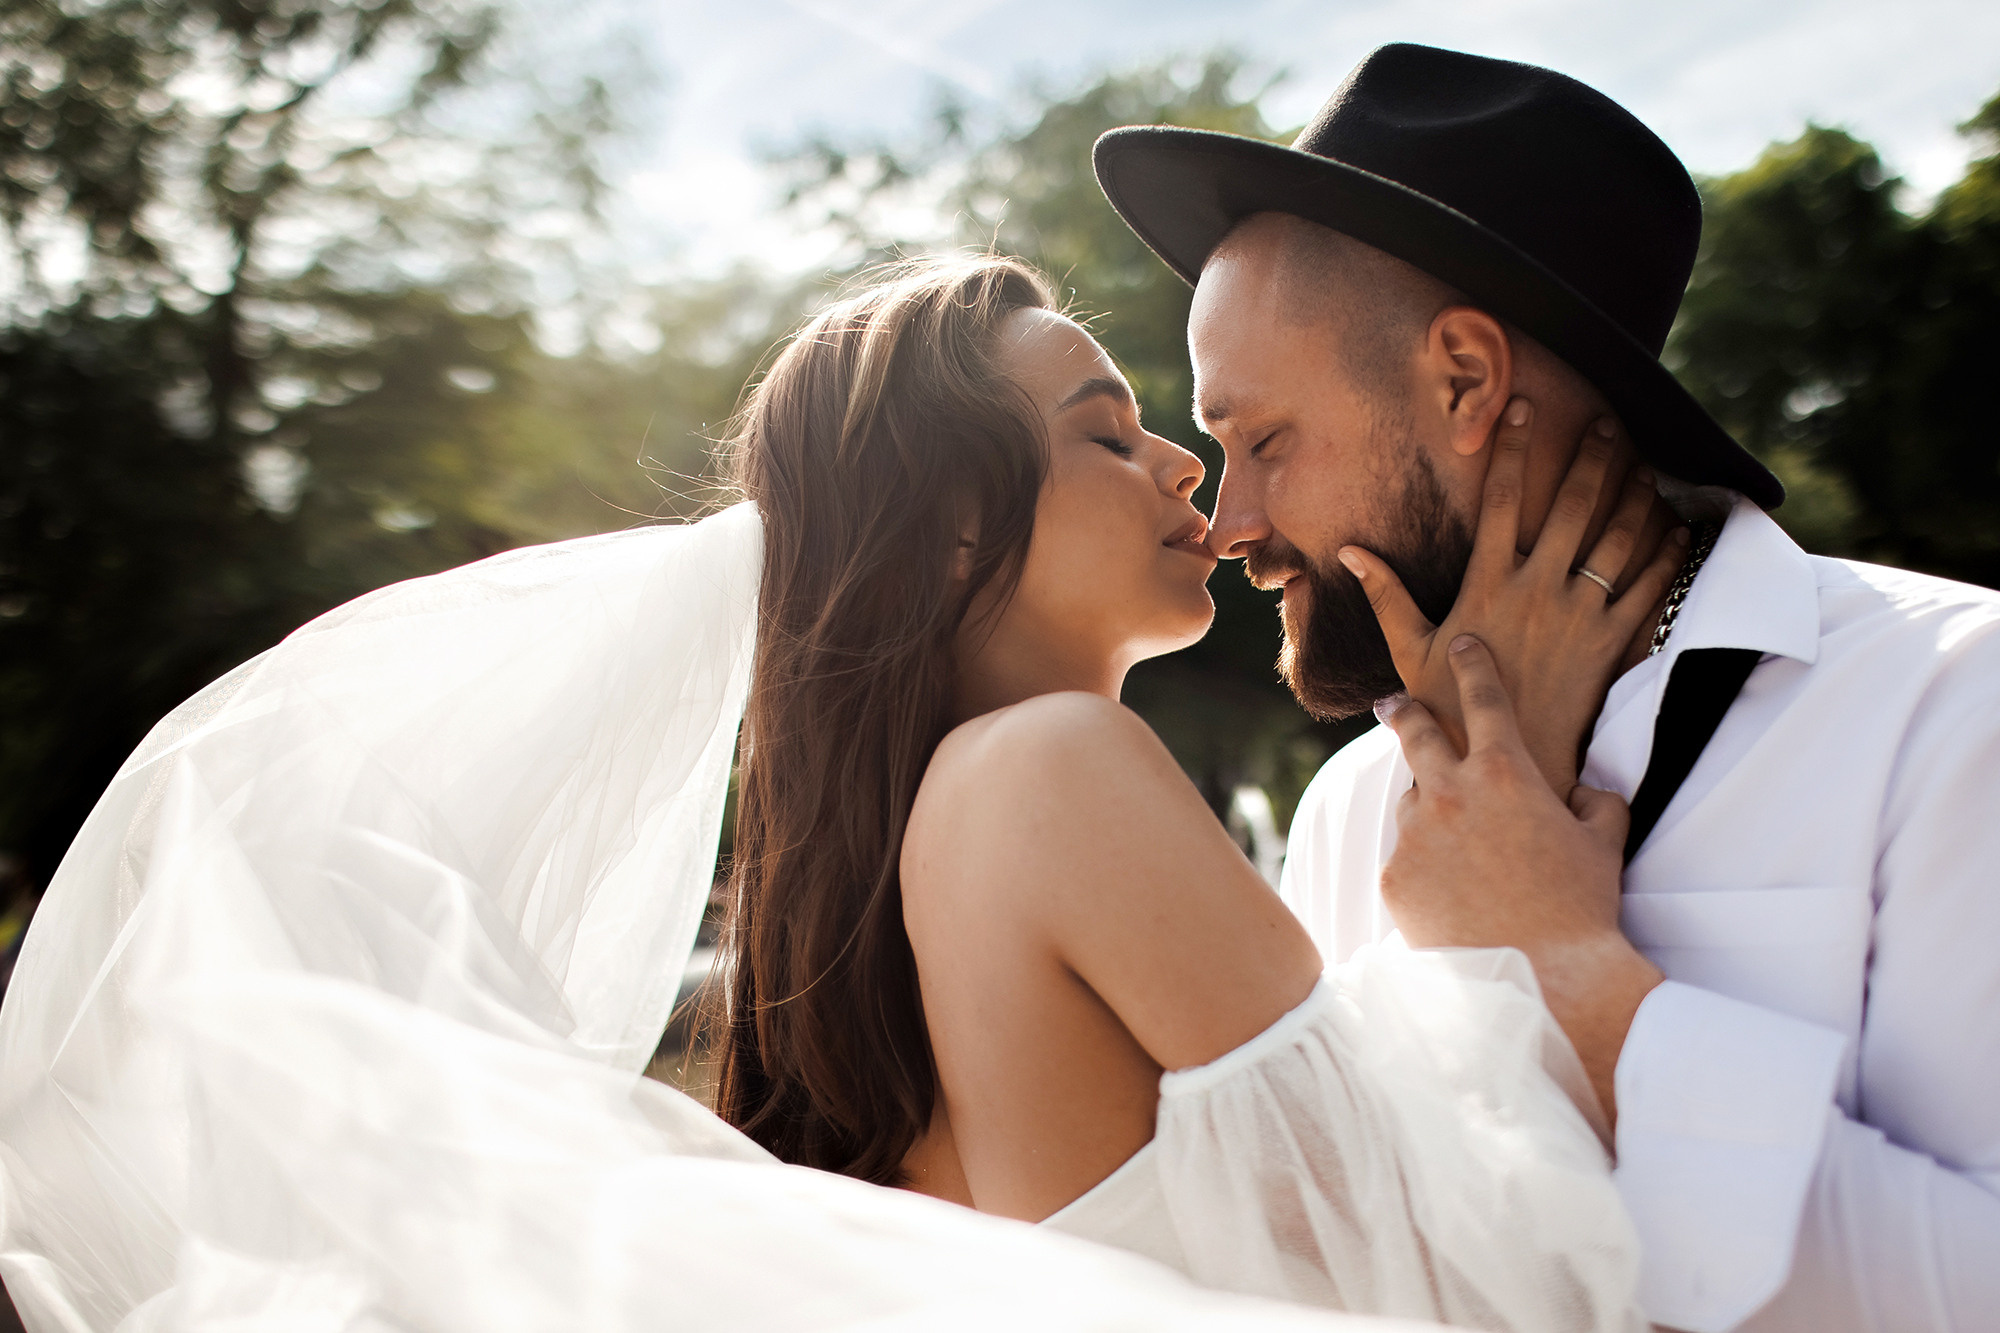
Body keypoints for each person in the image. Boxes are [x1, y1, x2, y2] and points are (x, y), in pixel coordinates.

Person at [1092, 41, 2000, 1333]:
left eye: (1266, 440)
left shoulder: (1954, 703)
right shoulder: (1357, 806)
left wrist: (1558, 964)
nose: (1229, 523)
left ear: (1465, 381)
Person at [710, 254, 1682, 1328]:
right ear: (955, 524)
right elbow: (1468, 1271)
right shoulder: (1050, 766)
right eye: (1107, 436)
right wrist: (1507, 785)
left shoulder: (914, 867)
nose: (1183, 466)